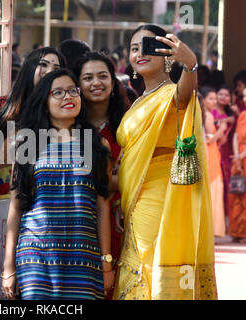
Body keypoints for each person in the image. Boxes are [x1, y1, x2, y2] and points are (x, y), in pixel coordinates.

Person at [114, 24, 217, 300]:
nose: (139, 53)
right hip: (133, 200)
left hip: (160, 197)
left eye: (148, 47)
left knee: (149, 265)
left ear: (167, 54)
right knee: (134, 265)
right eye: (134, 49)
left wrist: (191, 64)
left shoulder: (171, 94)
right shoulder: (137, 102)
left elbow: (184, 96)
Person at [1, 68, 114, 300]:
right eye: (58, 92)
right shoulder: (27, 143)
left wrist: (106, 263)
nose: (68, 97)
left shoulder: (97, 144)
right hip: (36, 257)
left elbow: (102, 207)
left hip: (84, 257)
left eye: (73, 91)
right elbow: (15, 207)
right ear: (45, 101)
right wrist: (8, 267)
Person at [0, 46, 66, 299]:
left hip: (45, 212)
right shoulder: (1, 109)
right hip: (2, 206)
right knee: (5, 288)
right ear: (30, 67)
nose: (49, 71)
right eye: (43, 64)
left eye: (57, 68)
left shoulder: (63, 115)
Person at [74, 51, 130, 299]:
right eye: (87, 77)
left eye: (102, 76)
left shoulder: (130, 124)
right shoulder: (68, 127)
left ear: (113, 81)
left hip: (121, 219)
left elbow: (142, 174)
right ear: (77, 85)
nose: (96, 83)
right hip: (79, 220)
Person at [201, 86, 226, 237]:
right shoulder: (208, 116)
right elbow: (209, 139)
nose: (214, 101)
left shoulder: (203, 114)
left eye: (215, 98)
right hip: (209, 152)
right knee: (213, 189)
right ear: (203, 99)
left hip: (208, 153)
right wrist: (222, 129)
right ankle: (212, 229)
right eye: (211, 98)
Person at [212, 84, 236, 217]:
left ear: (230, 98)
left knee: (227, 181)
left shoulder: (231, 113)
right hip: (215, 149)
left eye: (226, 95)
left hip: (228, 151)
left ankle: (225, 216)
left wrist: (233, 117)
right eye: (220, 94)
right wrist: (226, 120)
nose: (223, 97)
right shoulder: (211, 111)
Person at [229, 87, 246, 243]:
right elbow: (235, 136)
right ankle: (237, 231)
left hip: (244, 158)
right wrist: (237, 156)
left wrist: (241, 156)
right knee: (236, 195)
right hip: (239, 160)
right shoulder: (242, 115)